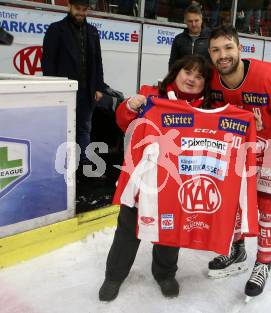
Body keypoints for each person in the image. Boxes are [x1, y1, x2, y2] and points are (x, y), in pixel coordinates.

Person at [206, 25, 271, 298]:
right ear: (210, 54)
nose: (223, 55)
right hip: (234, 154)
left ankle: (263, 263)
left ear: (240, 49)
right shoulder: (212, 80)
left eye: (228, 48)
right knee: (231, 208)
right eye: (216, 50)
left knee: (268, 212)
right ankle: (237, 250)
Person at [99, 55, 212, 302]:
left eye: (199, 76)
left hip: (176, 183)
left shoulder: (207, 109)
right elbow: (122, 122)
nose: (192, 79)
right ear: (176, 72)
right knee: (128, 230)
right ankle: (114, 276)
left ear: (205, 83)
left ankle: (165, 274)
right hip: (143, 179)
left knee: (170, 232)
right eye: (188, 72)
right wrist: (130, 105)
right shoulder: (151, 95)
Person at [42, 0, 105, 170]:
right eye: (78, 9)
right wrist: (54, 89)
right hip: (64, 90)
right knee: (63, 127)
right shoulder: (56, 30)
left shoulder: (92, 32)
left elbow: (97, 62)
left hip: (87, 90)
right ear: (69, 6)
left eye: (85, 10)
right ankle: (62, 162)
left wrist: (99, 87)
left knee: (84, 127)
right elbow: (48, 63)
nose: (81, 13)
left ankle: (84, 161)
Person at [168, 4, 211, 70]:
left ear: (201, 19)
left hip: (206, 78)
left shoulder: (211, 37)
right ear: (185, 21)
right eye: (190, 21)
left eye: (196, 20)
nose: (193, 24)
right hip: (185, 79)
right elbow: (172, 64)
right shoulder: (178, 39)